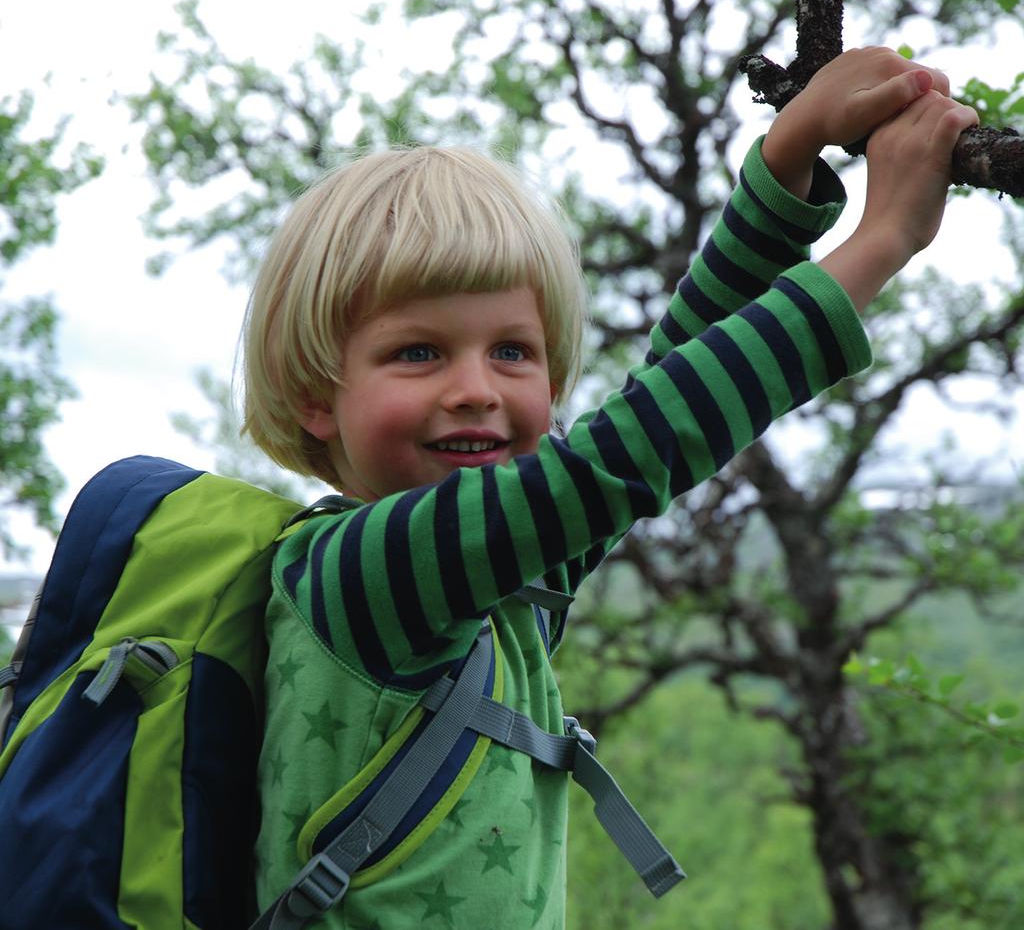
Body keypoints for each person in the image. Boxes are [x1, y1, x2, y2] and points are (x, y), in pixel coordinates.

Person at [241, 47, 978, 928]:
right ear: (315, 398)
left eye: (513, 350)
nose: (477, 386)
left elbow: (671, 370)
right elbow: (622, 456)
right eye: (418, 351)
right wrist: (880, 242)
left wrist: (789, 156)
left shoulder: (499, 595)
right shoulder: (365, 576)